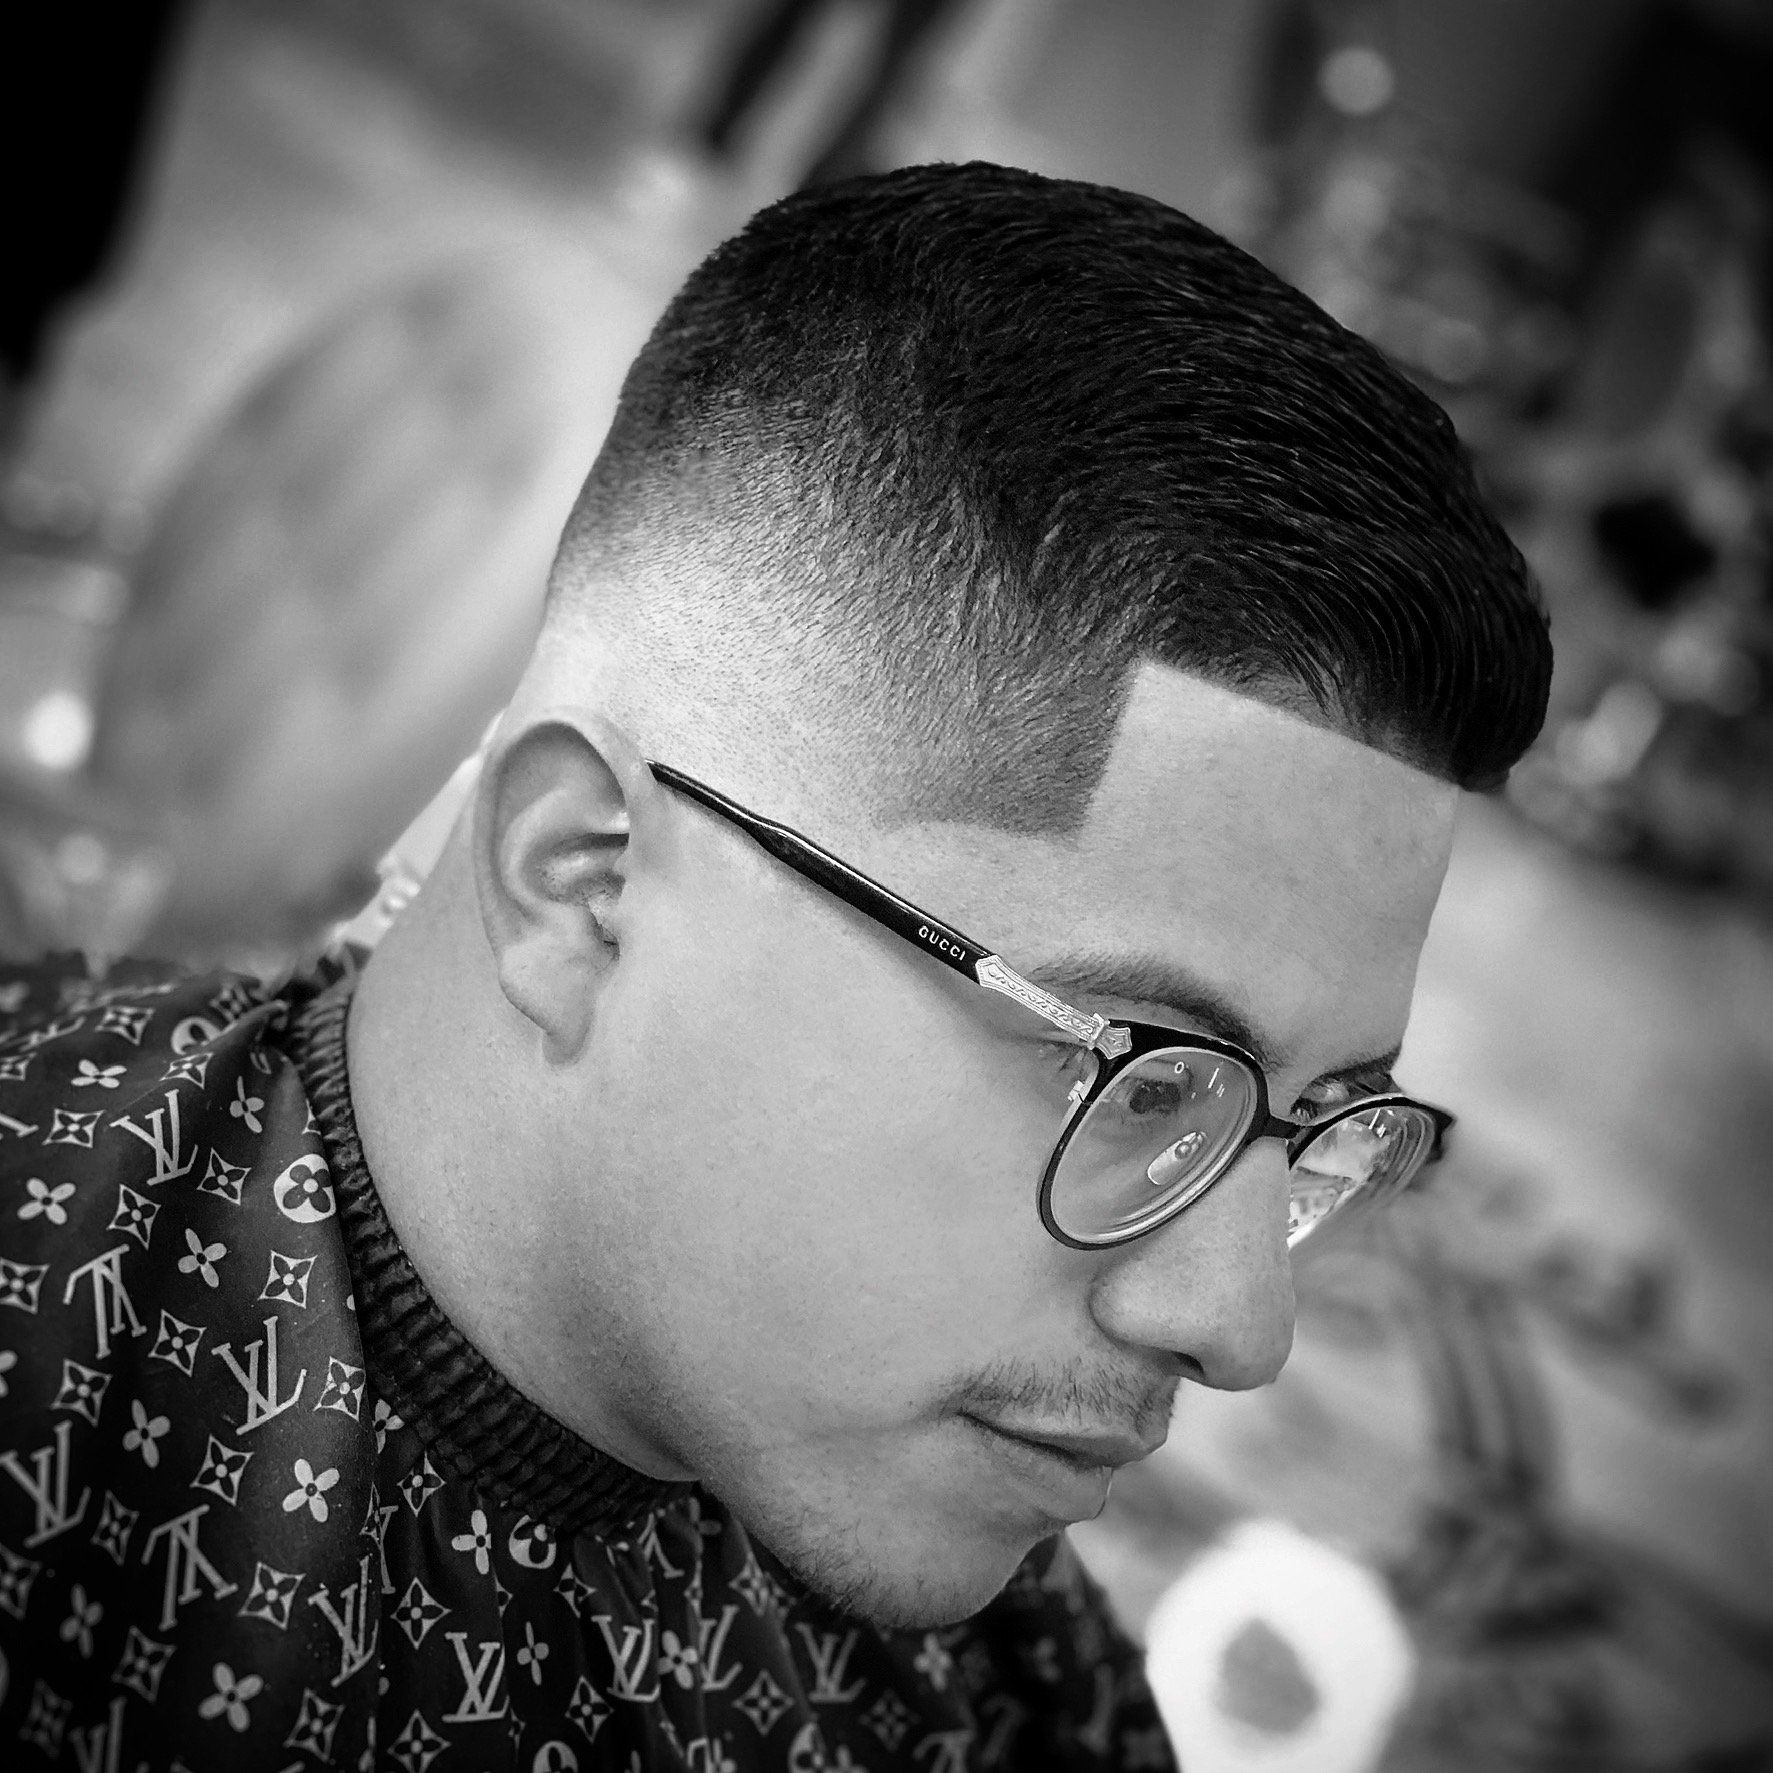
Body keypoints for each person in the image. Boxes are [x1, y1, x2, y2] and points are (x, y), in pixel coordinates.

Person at [0, 161, 1550, 1770]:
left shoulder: (1004, 1685)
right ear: (581, 882)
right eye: (1144, 1075)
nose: (1239, 1325)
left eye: (1318, 1126)